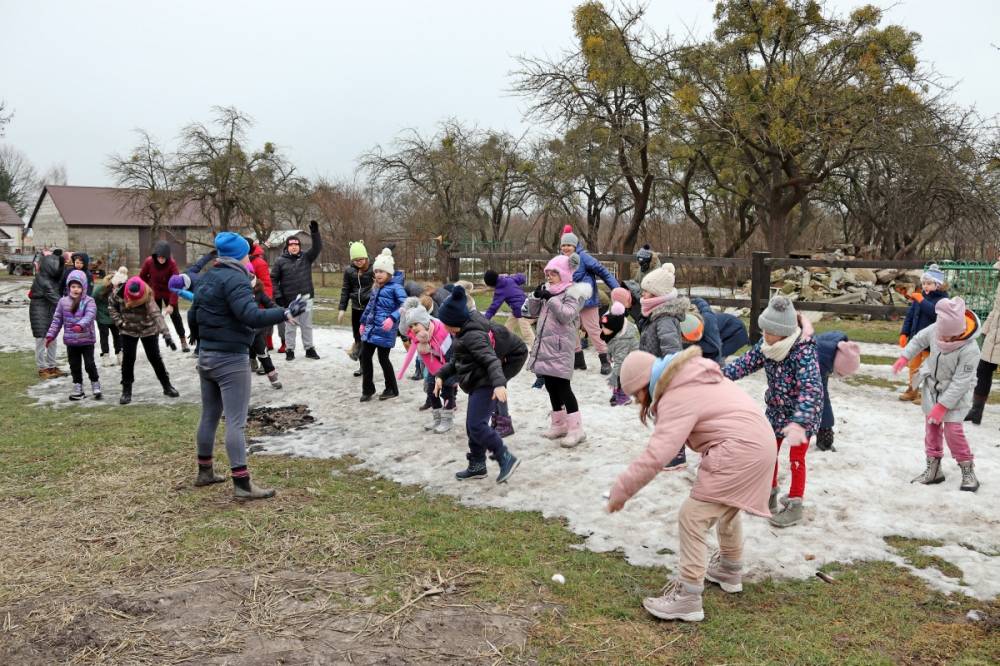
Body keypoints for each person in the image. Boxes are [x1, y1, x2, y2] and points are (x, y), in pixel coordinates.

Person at [607, 347, 776, 623]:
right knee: (725, 506)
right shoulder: (690, 375)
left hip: (739, 448)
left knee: (693, 516)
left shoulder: (676, 393)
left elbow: (657, 454)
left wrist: (622, 490)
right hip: (761, 443)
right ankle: (729, 567)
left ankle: (687, 597)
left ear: (644, 384)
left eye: (636, 395)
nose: (638, 402)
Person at [188, 232, 308, 500]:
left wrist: (200, 338)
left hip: (206, 356)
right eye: (247, 254)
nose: (249, 258)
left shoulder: (208, 277)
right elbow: (251, 315)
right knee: (235, 422)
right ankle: (242, 484)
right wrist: (285, 312)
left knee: (209, 415)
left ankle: (205, 471)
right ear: (240, 255)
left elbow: (193, 313)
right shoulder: (237, 279)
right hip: (230, 359)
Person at [723, 296, 823, 527]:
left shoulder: (802, 351)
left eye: (770, 332)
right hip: (777, 409)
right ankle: (768, 495)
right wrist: (719, 375)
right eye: (764, 330)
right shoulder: (767, 346)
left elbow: (811, 389)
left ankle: (795, 504)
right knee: (768, 451)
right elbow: (745, 363)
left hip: (802, 415)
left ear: (784, 333)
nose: (765, 335)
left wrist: (800, 422)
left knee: (796, 458)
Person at [435, 285, 527, 482]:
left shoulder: (473, 336)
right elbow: (457, 360)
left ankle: (505, 457)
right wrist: (441, 374)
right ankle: (477, 465)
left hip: (488, 380)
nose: (443, 326)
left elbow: (490, 360)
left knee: (476, 425)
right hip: (480, 378)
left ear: (453, 322)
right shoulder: (462, 332)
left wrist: (499, 384)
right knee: (473, 425)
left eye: (445, 323)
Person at [893, 297, 981, 492]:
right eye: (942, 335)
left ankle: (967, 469)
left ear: (959, 331)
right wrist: (904, 357)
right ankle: (933, 469)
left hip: (957, 394)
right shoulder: (937, 328)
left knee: (953, 431)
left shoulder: (970, 349)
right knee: (931, 429)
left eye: (950, 337)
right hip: (933, 388)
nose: (944, 340)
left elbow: (961, 382)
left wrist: (942, 406)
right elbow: (919, 340)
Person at [523, 253, 591, 447]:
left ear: (564, 274)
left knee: (563, 387)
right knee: (551, 385)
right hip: (546, 346)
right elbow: (530, 313)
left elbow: (566, 315)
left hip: (561, 348)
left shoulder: (573, 293)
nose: (549, 277)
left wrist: (551, 299)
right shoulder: (549, 290)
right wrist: (536, 296)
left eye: (554, 273)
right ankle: (559, 424)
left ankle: (576, 429)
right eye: (548, 273)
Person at [638, 263, 690, 470]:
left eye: (646, 291)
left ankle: (677, 454)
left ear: (658, 295)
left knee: (669, 415)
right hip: (656, 373)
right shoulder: (654, 315)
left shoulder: (665, 319)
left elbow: (672, 351)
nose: (642, 295)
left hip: (666, 376)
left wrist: (667, 376)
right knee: (660, 413)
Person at [109, 276, 180, 405]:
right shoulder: (117, 294)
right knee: (128, 359)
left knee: (155, 358)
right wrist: (119, 322)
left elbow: (156, 314)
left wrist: (166, 334)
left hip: (148, 329)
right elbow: (111, 307)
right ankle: (126, 390)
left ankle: (167, 386)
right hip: (128, 329)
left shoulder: (147, 294)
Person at [559, 225, 620, 374]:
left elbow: (603, 271)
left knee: (593, 329)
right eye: (563, 245)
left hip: (586, 299)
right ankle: (578, 361)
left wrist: (616, 288)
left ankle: (605, 360)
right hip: (569, 300)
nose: (566, 248)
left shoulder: (584, 257)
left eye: (569, 245)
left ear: (575, 245)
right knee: (570, 329)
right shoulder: (560, 260)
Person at [397, 298, 458, 433]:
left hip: (448, 366)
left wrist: (450, 375)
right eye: (411, 326)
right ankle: (437, 418)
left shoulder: (441, 331)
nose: (413, 328)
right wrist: (403, 315)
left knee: (447, 393)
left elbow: (451, 354)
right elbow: (404, 331)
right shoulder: (417, 335)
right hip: (432, 367)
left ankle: (447, 420)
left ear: (424, 321)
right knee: (431, 391)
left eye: (415, 324)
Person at [357, 248, 408, 401]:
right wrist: (363, 322)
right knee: (365, 356)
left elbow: (405, 305)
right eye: (376, 271)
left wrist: (392, 318)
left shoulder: (396, 287)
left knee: (383, 359)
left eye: (382, 271)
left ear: (389, 273)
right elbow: (370, 307)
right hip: (371, 328)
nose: (378, 274)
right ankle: (368, 390)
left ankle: (391, 388)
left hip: (385, 330)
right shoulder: (376, 287)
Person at [45, 269, 101, 400]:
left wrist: (80, 325)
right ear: (69, 287)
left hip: (86, 340)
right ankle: (78, 387)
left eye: (78, 287)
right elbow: (57, 320)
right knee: (74, 366)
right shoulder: (63, 302)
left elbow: (90, 315)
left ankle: (95, 383)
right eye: (73, 286)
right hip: (71, 341)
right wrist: (51, 335)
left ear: (84, 287)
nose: (76, 289)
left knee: (89, 364)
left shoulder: (89, 301)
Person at [271, 221, 323, 360]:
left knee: (307, 325)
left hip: (306, 297)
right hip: (289, 299)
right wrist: (278, 296)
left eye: (296, 245)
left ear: (299, 246)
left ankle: (309, 349)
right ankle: (290, 350)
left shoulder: (306, 257)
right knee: (290, 326)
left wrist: (315, 233)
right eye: (291, 245)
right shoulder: (280, 261)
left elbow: (317, 248)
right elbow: (273, 279)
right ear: (287, 247)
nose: (294, 247)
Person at [899, 264, 948, 403]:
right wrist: (904, 333)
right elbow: (910, 316)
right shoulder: (920, 297)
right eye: (924, 283)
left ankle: (928, 394)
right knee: (913, 366)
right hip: (916, 339)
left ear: (938, 284)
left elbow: (935, 313)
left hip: (931, 343)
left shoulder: (943, 300)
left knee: (928, 368)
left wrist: (921, 301)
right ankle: (912, 390)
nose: (925, 286)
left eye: (929, 283)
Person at [813, 331, 862, 451]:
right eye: (839, 373)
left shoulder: (831, 349)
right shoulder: (819, 360)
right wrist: (826, 429)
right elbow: (821, 397)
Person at [965, 257, 1000, 425]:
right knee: (983, 370)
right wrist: (985, 330)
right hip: (994, 334)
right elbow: (996, 309)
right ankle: (976, 411)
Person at [139, 241, 190, 352]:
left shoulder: (172, 264)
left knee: (175, 316)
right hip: (155, 292)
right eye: (159, 257)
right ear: (156, 256)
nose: (161, 259)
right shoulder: (149, 262)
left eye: (164, 257)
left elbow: (176, 285)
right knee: (155, 317)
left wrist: (171, 304)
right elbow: (142, 277)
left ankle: (183, 340)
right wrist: (148, 288)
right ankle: (155, 343)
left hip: (169, 291)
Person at [29, 250, 66, 379]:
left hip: (50, 311)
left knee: (52, 339)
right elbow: (57, 299)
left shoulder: (50, 279)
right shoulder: (44, 280)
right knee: (41, 340)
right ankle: (42, 368)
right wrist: (72, 308)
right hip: (39, 313)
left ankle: (51, 366)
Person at [337, 241, 374, 372]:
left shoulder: (373, 269)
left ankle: (366, 366)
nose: (358, 262)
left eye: (361, 259)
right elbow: (345, 290)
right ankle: (362, 366)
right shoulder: (349, 271)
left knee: (366, 339)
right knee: (358, 337)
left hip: (368, 309)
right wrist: (342, 309)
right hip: (356, 309)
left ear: (366, 257)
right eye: (355, 260)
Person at [601, 301, 639, 406]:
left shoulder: (622, 341)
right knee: (618, 376)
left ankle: (624, 397)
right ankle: (617, 394)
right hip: (622, 358)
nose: (603, 329)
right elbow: (611, 345)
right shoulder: (614, 334)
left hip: (630, 359)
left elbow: (620, 362)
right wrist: (609, 354)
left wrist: (613, 375)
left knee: (621, 377)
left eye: (605, 327)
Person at [483, 270, 534, 347]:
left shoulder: (500, 290)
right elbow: (522, 277)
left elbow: (493, 308)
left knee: (526, 332)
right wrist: (510, 276)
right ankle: (506, 344)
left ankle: (534, 348)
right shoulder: (509, 279)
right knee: (507, 329)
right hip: (519, 309)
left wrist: (484, 319)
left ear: (492, 284)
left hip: (523, 312)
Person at [92, 267, 126, 366]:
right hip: (102, 316)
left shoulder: (120, 289)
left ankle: (119, 354)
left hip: (114, 316)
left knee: (117, 335)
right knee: (104, 336)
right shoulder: (100, 289)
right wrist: (96, 314)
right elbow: (92, 300)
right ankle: (105, 355)